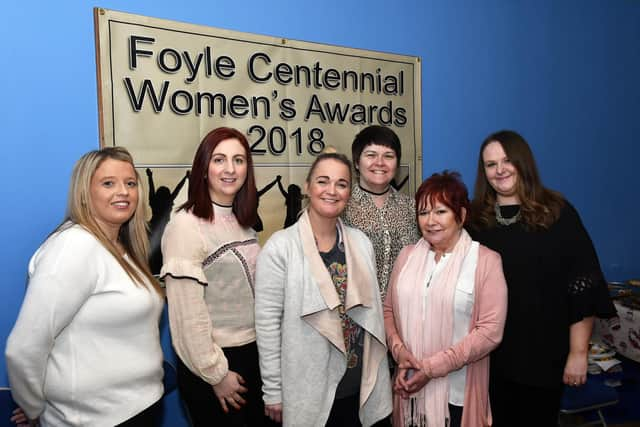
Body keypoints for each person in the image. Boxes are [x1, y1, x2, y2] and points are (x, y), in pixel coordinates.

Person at [5, 147, 164, 426]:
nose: (123, 192)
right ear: (83, 193)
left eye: (130, 183)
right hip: (96, 419)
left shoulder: (121, 246)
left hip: (140, 407)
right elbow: (23, 348)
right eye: (108, 183)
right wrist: (33, 408)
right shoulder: (74, 247)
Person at [468, 130, 617, 427]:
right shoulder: (475, 219)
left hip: (543, 355)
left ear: (524, 163)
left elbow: (583, 286)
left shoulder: (557, 213)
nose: (500, 170)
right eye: (490, 164)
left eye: (508, 160)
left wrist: (578, 353)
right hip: (489, 358)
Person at [255, 153, 392, 427]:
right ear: (307, 187)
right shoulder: (280, 247)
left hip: (357, 389)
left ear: (349, 193)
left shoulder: (361, 243)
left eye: (341, 184)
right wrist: (272, 391)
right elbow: (267, 326)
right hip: (307, 391)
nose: (332, 190)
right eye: (323, 181)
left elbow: (372, 316)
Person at [160, 127, 273, 426]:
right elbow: (186, 315)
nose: (230, 169)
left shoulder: (243, 222)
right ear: (203, 167)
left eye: (239, 160)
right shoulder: (185, 225)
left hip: (252, 354)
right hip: (216, 364)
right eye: (219, 159)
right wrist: (216, 373)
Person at [384, 171, 508, 427]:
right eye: (423, 212)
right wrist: (400, 353)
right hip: (408, 387)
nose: (430, 221)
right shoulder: (407, 257)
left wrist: (430, 368)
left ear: (461, 215)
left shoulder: (485, 261)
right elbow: (388, 312)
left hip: (457, 394)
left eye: (440, 211)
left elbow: (490, 332)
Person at [342, 125, 420, 300]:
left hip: (402, 314)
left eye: (388, 156)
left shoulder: (413, 208)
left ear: (397, 164)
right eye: (371, 155)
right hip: (355, 316)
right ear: (356, 162)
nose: (380, 163)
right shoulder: (341, 207)